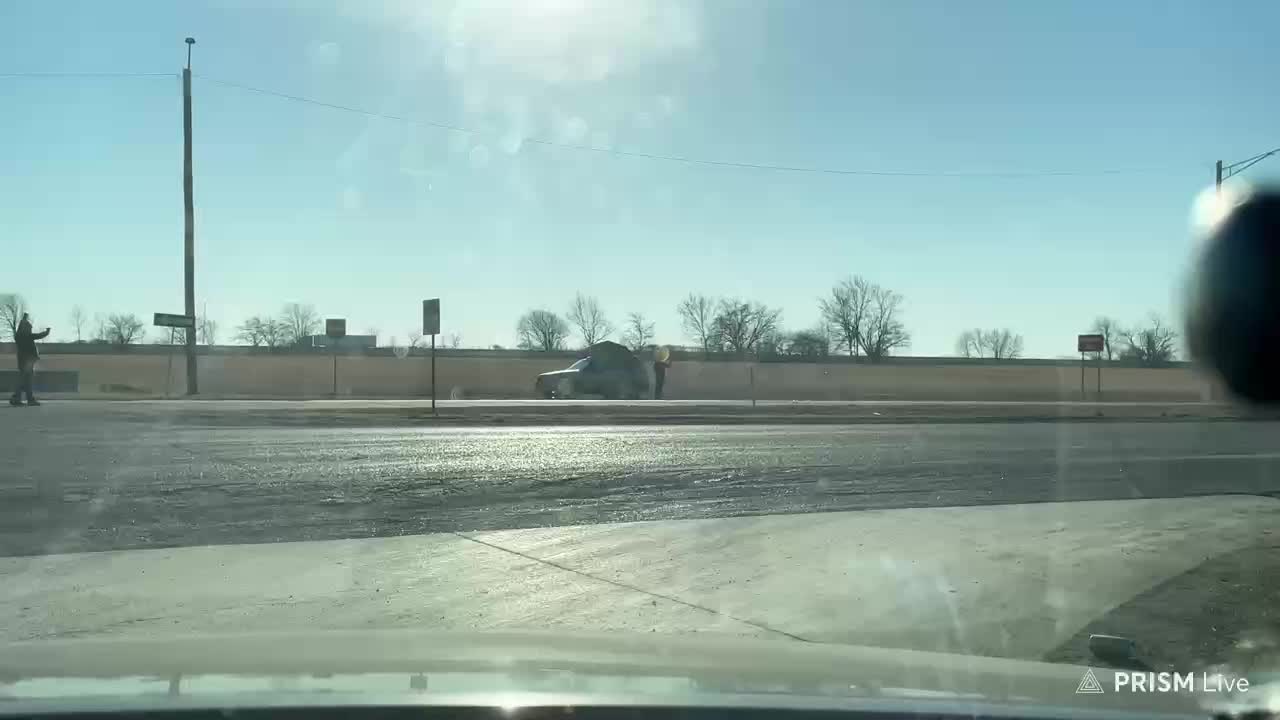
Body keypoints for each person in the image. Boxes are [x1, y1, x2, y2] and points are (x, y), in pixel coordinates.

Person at [10, 313, 51, 407]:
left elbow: (21, 327)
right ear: (25, 328)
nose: (30, 329)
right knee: (25, 381)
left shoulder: (19, 336)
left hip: (24, 361)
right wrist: (47, 332)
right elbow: (39, 335)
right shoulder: (26, 335)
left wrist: (24, 318)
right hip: (27, 362)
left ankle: (26, 399)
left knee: (26, 381)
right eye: (29, 328)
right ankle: (18, 398)